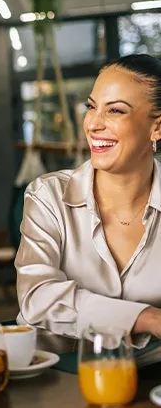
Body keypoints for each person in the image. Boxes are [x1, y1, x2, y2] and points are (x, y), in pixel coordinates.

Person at [16, 54, 161, 352]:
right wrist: (146, 318)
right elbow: (37, 296)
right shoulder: (47, 196)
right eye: (91, 107)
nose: (93, 124)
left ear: (156, 128)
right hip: (55, 378)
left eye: (116, 111)